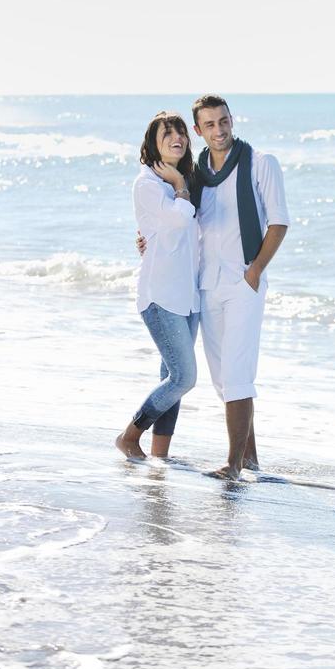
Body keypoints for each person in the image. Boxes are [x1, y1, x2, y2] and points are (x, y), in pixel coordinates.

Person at [138, 94, 290, 479]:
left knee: (238, 372)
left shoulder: (260, 164)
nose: (218, 130)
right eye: (209, 124)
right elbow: (180, 222)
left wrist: (255, 271)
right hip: (206, 284)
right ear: (198, 130)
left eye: (223, 121)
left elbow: (279, 222)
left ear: (232, 120)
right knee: (224, 377)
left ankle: (234, 465)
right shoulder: (198, 172)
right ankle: (251, 457)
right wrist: (146, 241)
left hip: (243, 282)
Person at [116, 111, 199, 461]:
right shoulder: (148, 184)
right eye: (167, 133)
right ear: (153, 143)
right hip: (160, 295)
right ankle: (129, 434)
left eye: (181, 131)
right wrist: (180, 187)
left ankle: (160, 456)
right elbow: (180, 220)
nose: (176, 137)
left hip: (189, 296)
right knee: (183, 378)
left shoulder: (184, 180)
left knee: (170, 377)